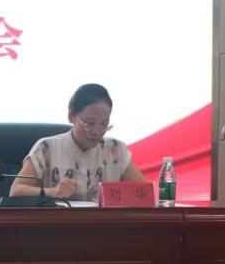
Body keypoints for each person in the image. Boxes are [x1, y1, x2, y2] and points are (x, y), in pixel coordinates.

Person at [9, 83, 147, 203]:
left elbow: (145, 193)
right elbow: (16, 191)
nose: (96, 131)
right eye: (89, 123)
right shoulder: (46, 148)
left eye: (104, 124)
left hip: (104, 223)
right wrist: (53, 192)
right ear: (71, 117)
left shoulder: (115, 149)